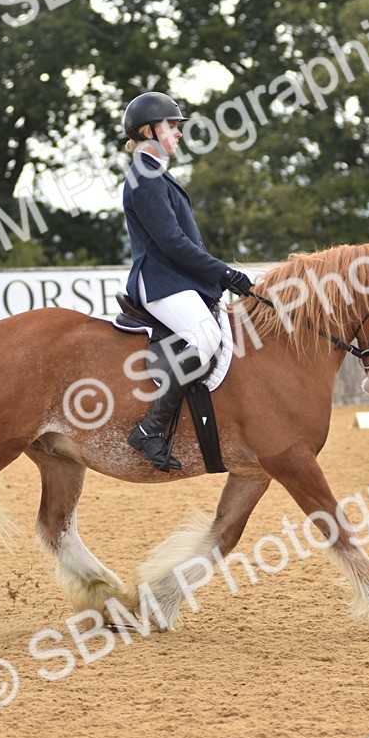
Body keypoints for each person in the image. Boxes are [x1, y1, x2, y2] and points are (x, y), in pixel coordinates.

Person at [120, 91, 255, 472]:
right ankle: (150, 429)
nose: (178, 134)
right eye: (172, 126)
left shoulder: (158, 173)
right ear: (149, 130)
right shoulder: (144, 176)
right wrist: (222, 272)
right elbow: (172, 242)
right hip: (160, 281)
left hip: (177, 280)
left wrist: (217, 276)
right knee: (206, 339)